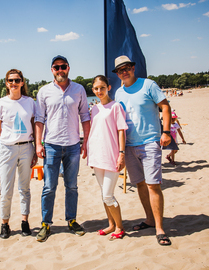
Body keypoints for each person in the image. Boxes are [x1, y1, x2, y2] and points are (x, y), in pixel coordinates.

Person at [113, 55, 172, 246]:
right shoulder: (119, 93)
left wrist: (166, 132)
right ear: (117, 74)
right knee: (139, 184)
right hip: (129, 146)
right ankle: (149, 219)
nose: (124, 71)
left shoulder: (148, 85)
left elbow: (165, 106)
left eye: (127, 67)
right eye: (120, 70)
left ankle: (160, 228)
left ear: (133, 68)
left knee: (153, 185)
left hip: (150, 142)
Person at [35, 55, 91, 242]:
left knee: (72, 186)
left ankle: (71, 220)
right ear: (52, 70)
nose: (60, 70)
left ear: (68, 68)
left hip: (74, 145)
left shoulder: (79, 89)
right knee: (49, 187)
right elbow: (39, 120)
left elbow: (85, 117)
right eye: (56, 67)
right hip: (51, 145)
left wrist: (86, 142)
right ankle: (46, 224)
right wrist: (38, 144)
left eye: (63, 66)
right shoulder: (44, 92)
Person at [0, 69, 37, 239]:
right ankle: (5, 224)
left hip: (27, 147)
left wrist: (35, 149)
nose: (14, 83)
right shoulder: (1, 103)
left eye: (17, 80)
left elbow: (34, 125)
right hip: (7, 149)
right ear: (6, 83)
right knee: (6, 190)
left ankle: (24, 221)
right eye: (10, 80)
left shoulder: (30, 102)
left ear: (22, 82)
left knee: (24, 188)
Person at [88, 75, 128, 240]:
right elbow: (93, 132)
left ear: (108, 88)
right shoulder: (94, 109)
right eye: (96, 89)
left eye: (102, 88)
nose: (99, 91)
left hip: (112, 156)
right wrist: (91, 155)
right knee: (103, 194)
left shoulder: (116, 106)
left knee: (108, 195)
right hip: (97, 156)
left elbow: (121, 130)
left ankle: (120, 226)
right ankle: (111, 224)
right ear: (93, 90)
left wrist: (121, 153)